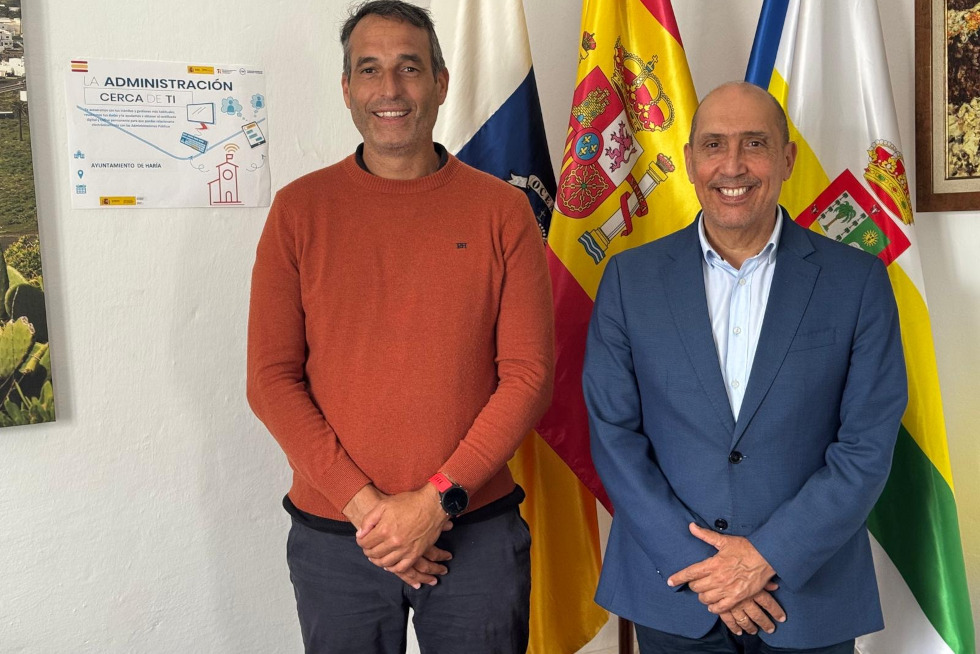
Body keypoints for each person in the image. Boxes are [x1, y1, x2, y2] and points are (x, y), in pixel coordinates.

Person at [246, 2, 554, 652]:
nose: (389, 88)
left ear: (440, 83)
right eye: (369, 69)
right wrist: (375, 516)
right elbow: (270, 380)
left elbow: (528, 376)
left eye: (409, 68)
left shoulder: (504, 211)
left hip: (475, 533)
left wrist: (434, 504)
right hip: (339, 538)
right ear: (346, 89)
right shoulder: (299, 211)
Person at [583, 81, 908, 653]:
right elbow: (614, 437)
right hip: (675, 592)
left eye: (754, 143)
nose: (732, 165)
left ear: (787, 158)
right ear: (690, 161)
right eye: (714, 145)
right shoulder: (630, 281)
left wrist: (765, 557)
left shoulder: (857, 282)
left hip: (809, 595)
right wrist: (706, 570)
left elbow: (866, 446)